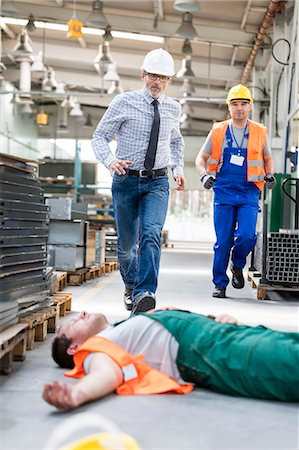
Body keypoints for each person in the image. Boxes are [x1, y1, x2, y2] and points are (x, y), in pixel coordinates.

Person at [43, 309, 299, 410]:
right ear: (73, 349)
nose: (82, 313)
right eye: (73, 322)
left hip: (229, 337)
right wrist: (77, 395)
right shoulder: (95, 350)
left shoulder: (122, 326)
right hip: (215, 354)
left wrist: (219, 320)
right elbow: (106, 375)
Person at [92, 48, 185, 314]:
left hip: (158, 182)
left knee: (151, 235)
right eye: (153, 76)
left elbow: (176, 141)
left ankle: (146, 293)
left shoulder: (172, 107)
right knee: (126, 246)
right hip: (126, 181)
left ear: (169, 81)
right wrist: (110, 161)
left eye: (163, 78)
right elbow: (99, 137)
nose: (157, 82)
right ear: (143, 75)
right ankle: (131, 285)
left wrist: (178, 167)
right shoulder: (123, 102)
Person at [195, 84, 276, 299]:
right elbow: (200, 158)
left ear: (250, 106)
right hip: (224, 191)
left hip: (249, 191)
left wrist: (270, 173)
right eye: (234, 104)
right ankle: (219, 283)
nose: (239, 108)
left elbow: (268, 158)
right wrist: (204, 175)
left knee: (247, 236)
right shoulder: (218, 130)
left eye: (243, 104)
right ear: (229, 107)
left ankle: (238, 265)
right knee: (223, 241)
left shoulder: (259, 131)